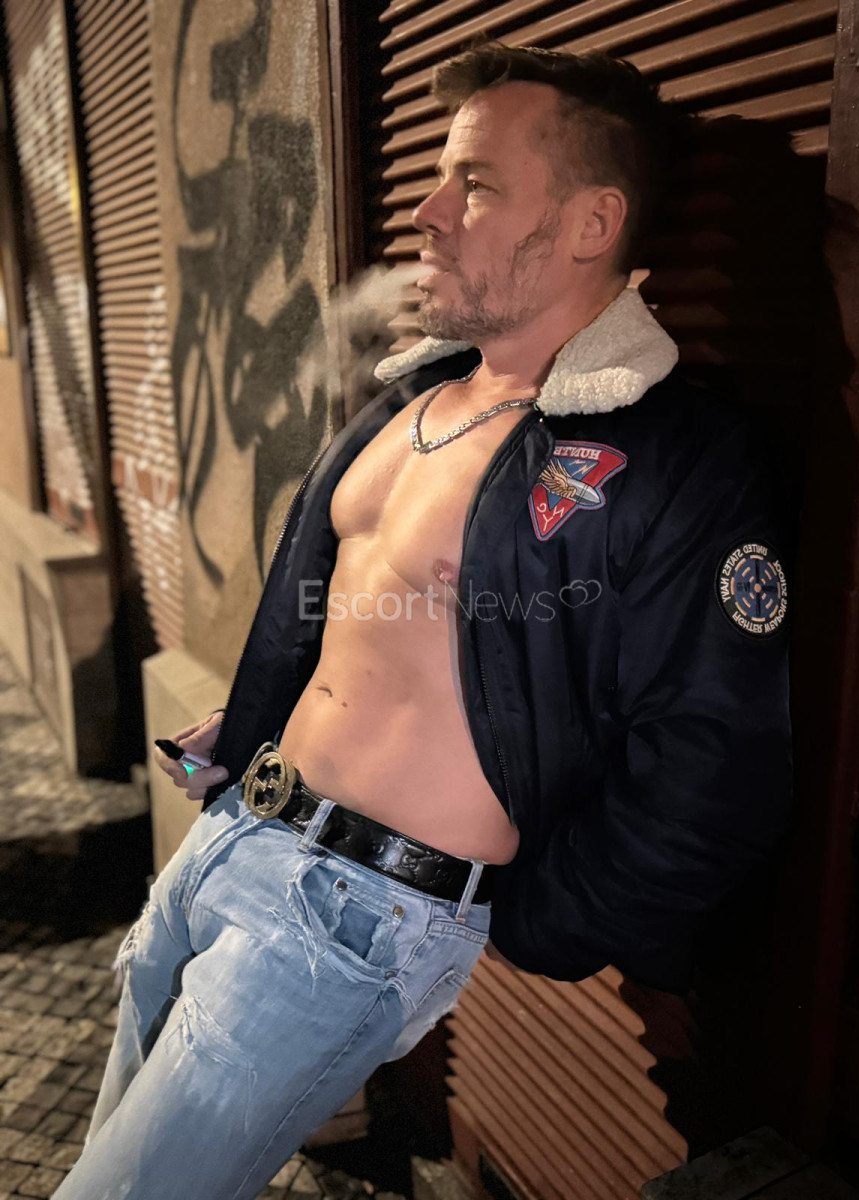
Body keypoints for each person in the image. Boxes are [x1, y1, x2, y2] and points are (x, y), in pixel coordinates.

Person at [54, 40, 792, 1200]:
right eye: (441, 177)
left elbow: (715, 762)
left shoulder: (674, 457)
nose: (427, 210)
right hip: (229, 842)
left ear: (593, 222)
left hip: (345, 927)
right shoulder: (412, 399)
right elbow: (337, 616)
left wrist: (535, 918)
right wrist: (252, 730)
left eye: (476, 184)